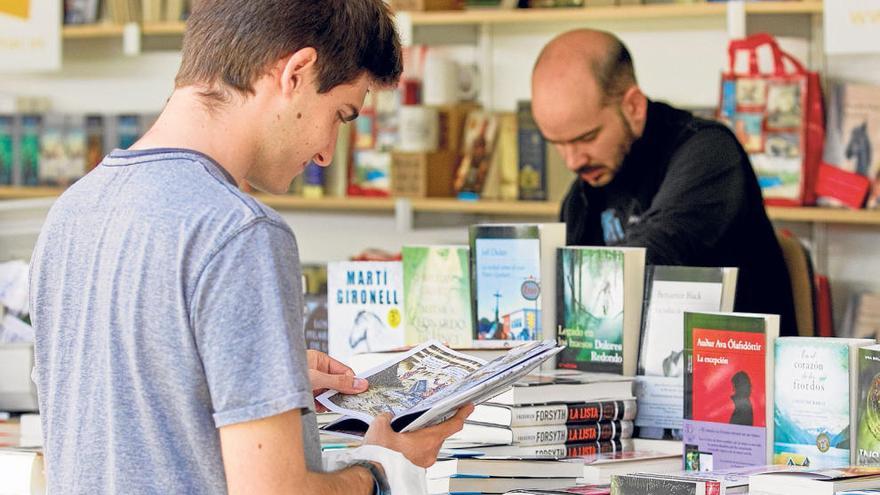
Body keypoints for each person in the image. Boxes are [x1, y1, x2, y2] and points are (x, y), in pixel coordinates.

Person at [29, 1, 472, 494]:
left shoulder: (73, 211)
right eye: (340, 116)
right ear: (297, 73)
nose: (327, 151)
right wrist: (381, 467)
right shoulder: (240, 232)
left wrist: (266, 376)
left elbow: (123, 420)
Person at [531, 29, 797, 337]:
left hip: (737, 370)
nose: (572, 161)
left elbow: (655, 255)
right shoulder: (585, 191)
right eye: (557, 144)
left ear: (633, 106)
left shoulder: (710, 152)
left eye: (587, 138)